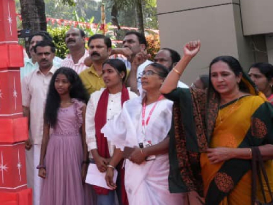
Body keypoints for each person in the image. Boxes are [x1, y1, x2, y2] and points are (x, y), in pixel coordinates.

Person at [161, 41, 273, 204]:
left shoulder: (255, 104)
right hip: (210, 180)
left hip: (245, 180)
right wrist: (186, 57)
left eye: (225, 74)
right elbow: (167, 90)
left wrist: (232, 153)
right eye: (214, 75)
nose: (219, 79)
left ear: (238, 77)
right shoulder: (203, 103)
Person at [101, 62, 183, 204]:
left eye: (150, 73)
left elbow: (176, 139)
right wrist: (112, 165)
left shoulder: (171, 106)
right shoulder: (131, 106)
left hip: (162, 171)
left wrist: (144, 152)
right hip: (135, 168)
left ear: (163, 80)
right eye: (143, 73)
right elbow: (122, 141)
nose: (144, 77)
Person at [37, 67, 90, 205]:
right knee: (56, 183)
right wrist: (42, 163)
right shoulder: (49, 105)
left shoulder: (79, 105)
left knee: (74, 183)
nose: (60, 85)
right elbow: (45, 135)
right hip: (54, 149)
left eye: (64, 81)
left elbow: (85, 136)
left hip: (74, 148)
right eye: (57, 81)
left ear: (72, 84)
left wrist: (85, 162)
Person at [85, 58, 130, 205]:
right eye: (104, 72)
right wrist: (96, 156)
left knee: (128, 199)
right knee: (104, 202)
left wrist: (114, 162)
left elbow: (130, 135)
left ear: (122, 74)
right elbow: (89, 128)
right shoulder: (95, 97)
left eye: (110, 71)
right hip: (101, 159)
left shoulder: (132, 99)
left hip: (125, 160)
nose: (105, 75)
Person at [22, 40, 59, 205]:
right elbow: (25, 108)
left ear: (54, 54)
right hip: (36, 137)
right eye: (40, 54)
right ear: (34, 56)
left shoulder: (63, 76)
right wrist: (25, 133)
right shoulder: (28, 78)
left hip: (61, 137)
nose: (44, 57)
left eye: (47, 53)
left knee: (59, 178)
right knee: (37, 179)